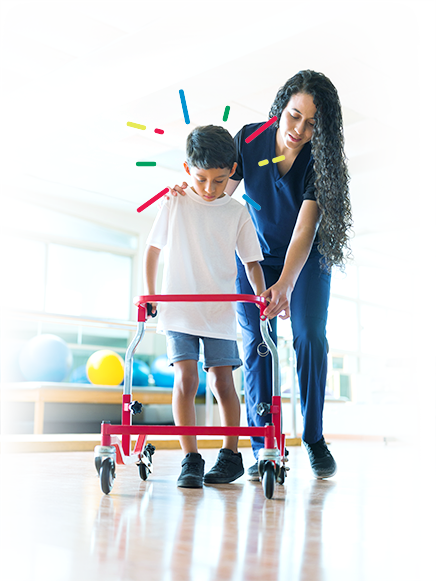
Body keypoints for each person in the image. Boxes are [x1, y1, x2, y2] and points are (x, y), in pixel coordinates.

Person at [168, 70, 353, 480]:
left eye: (311, 123)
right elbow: (217, 196)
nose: (299, 130)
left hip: (303, 262)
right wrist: (186, 196)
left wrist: (285, 284)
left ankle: (313, 437)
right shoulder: (248, 140)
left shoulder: (318, 162)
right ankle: (260, 447)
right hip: (253, 254)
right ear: (280, 108)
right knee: (255, 345)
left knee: (308, 336)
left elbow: (305, 230)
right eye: (294, 116)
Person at [144, 125, 266, 488]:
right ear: (186, 170)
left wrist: (260, 298)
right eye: (201, 179)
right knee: (186, 378)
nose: (210, 189)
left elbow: (251, 263)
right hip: (180, 310)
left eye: (218, 179)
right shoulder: (175, 201)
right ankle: (190, 458)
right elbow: (153, 249)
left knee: (223, 382)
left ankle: (230, 456)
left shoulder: (238, 212)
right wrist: (150, 293)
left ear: (232, 169)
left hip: (218, 312)